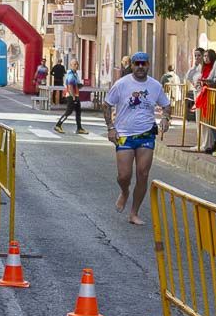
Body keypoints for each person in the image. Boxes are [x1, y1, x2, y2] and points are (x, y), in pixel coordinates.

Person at [103, 51, 172, 225]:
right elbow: (107, 105)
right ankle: (125, 191)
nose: (140, 67)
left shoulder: (155, 86)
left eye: (144, 64)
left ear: (148, 65)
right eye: (137, 64)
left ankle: (134, 213)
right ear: (132, 65)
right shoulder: (121, 84)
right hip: (124, 135)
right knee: (124, 175)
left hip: (146, 134)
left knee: (143, 173)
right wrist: (111, 128)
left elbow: (166, 105)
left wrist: (165, 118)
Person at [194, 49, 216, 154]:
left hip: (210, 97)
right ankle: (203, 142)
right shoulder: (203, 68)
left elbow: (212, 80)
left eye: (207, 56)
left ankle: (209, 143)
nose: (205, 58)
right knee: (202, 121)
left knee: (209, 121)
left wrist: (206, 83)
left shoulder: (214, 67)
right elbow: (190, 75)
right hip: (202, 96)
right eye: (204, 56)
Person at [53, 60, 88, 135]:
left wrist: (79, 86)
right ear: (71, 65)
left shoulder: (75, 74)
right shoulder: (70, 74)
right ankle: (58, 125)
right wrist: (73, 97)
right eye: (74, 64)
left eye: (77, 64)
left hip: (76, 95)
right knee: (68, 112)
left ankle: (79, 128)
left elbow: (76, 85)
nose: (76, 66)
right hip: (71, 96)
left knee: (78, 112)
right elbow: (70, 86)